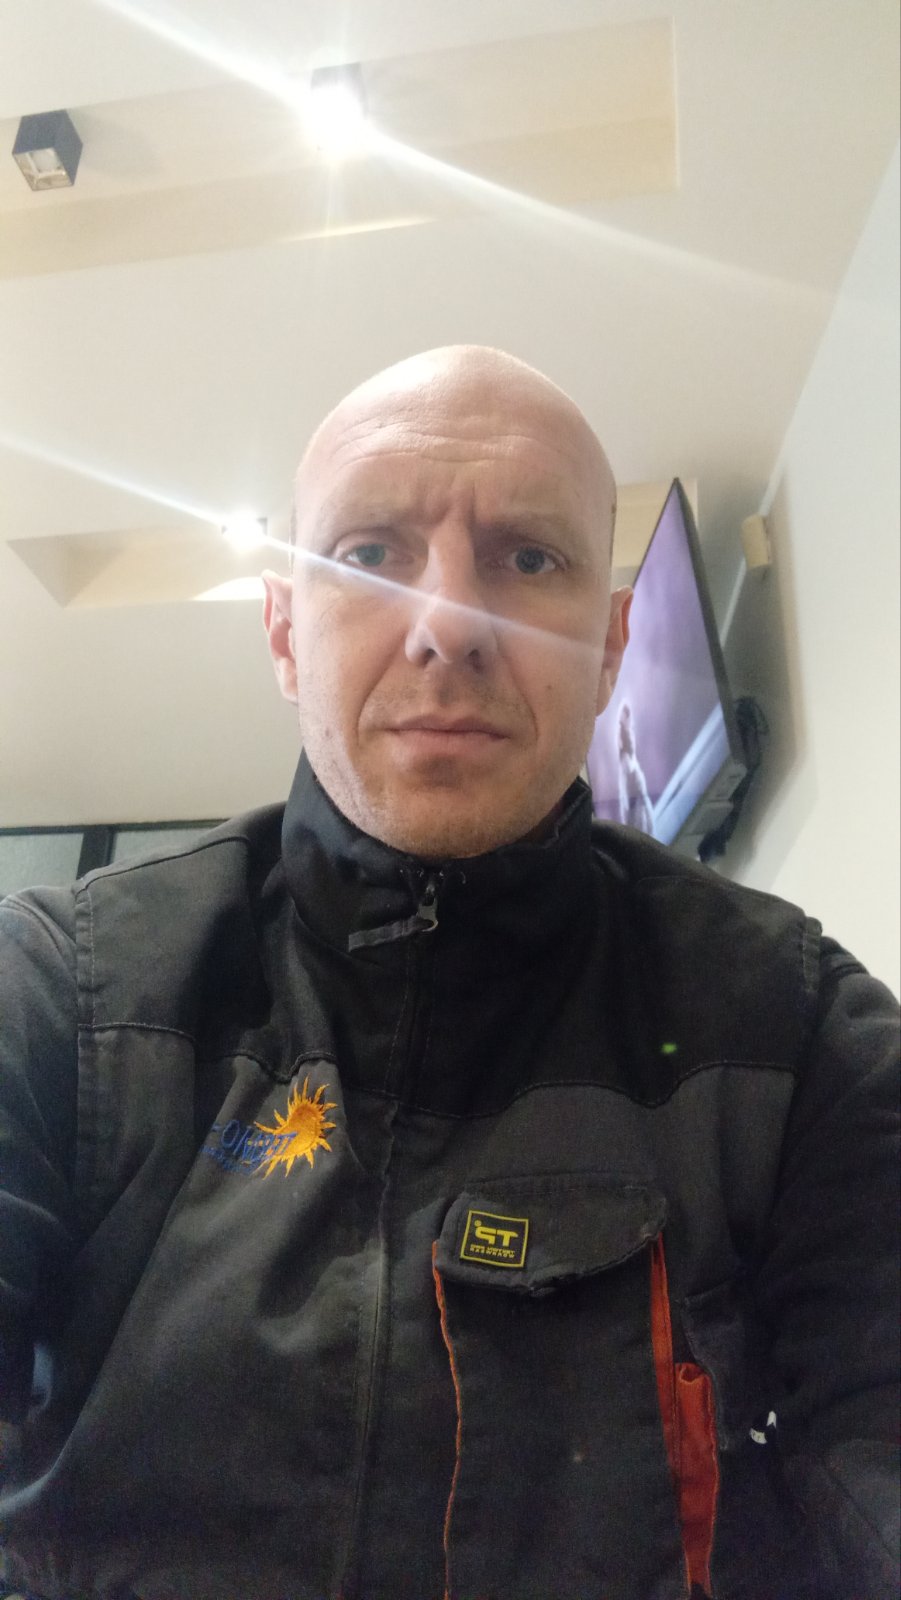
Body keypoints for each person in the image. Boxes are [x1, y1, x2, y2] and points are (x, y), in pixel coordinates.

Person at [0, 346, 897, 1600]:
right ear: (284, 633)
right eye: (371, 553)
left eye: (527, 558)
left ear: (609, 645)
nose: (448, 627)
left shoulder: (797, 1030)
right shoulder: (62, 993)